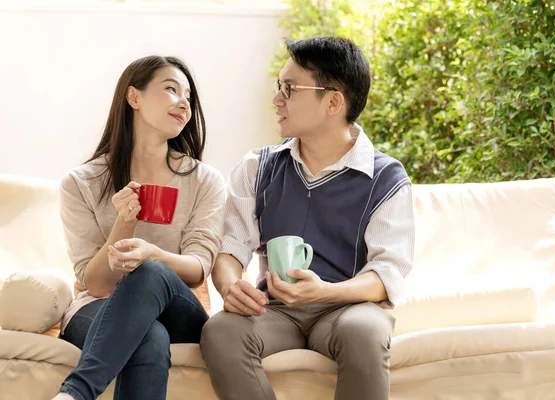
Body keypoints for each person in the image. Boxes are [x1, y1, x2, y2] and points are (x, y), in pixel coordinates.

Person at [200, 36, 415, 400]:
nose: (276, 99)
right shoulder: (258, 167)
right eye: (278, 86)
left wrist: (326, 292)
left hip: (347, 309)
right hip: (274, 312)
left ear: (333, 101)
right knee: (221, 330)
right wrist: (231, 287)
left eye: (289, 88)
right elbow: (230, 249)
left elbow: (388, 272)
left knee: (365, 331)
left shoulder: (387, 179)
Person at [53, 55, 225, 400]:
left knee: (149, 272)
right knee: (149, 337)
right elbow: (98, 284)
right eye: (171, 89)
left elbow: (198, 268)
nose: (183, 103)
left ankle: (74, 393)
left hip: (178, 307)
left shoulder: (204, 180)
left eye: (188, 97)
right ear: (134, 98)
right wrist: (125, 223)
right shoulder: (81, 183)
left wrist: (154, 256)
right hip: (96, 306)